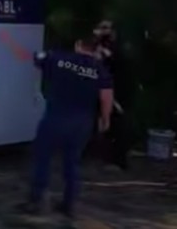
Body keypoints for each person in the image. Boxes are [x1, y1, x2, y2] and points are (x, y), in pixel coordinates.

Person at [17, 35, 114, 220]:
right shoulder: (100, 70)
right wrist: (105, 119)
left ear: (78, 44)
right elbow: (106, 97)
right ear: (95, 49)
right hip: (82, 123)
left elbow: (27, 56)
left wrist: (6, 39)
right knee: (72, 163)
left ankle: (37, 201)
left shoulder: (58, 58)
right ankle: (69, 205)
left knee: (42, 158)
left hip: (56, 118)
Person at [93, 20, 134, 170]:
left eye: (105, 28)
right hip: (105, 90)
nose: (101, 31)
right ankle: (107, 156)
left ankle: (119, 161)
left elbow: (118, 66)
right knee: (106, 124)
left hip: (118, 91)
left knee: (118, 124)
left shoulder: (118, 48)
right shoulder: (101, 46)